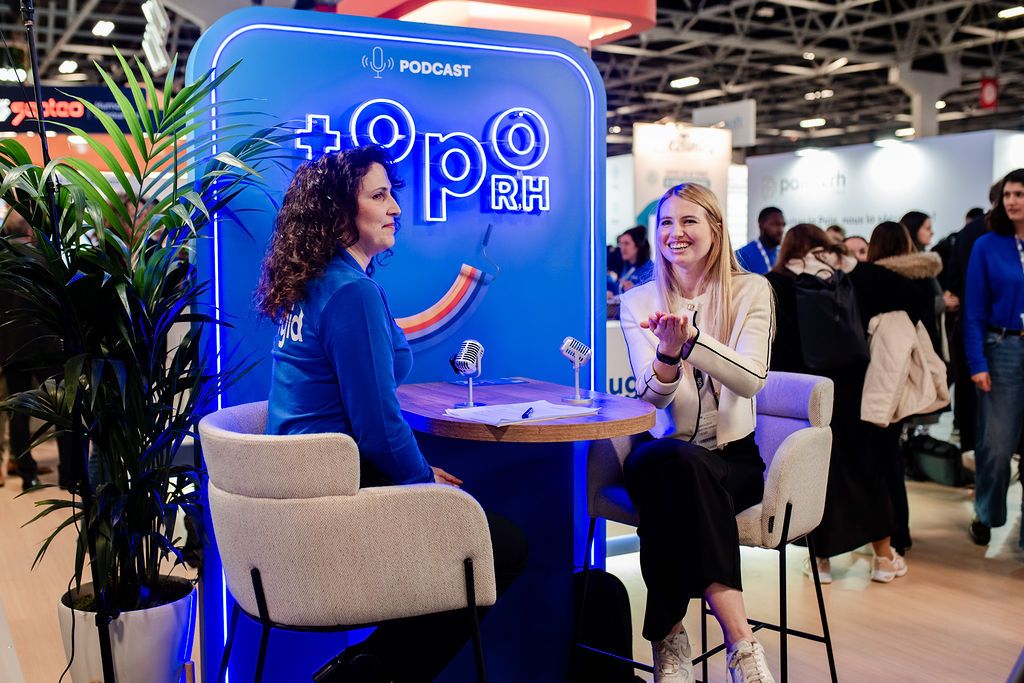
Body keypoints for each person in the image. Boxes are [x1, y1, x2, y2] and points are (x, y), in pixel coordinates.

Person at [254, 145, 527, 682]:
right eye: (379, 196)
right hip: (333, 498)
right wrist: (424, 481)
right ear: (339, 211)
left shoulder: (312, 283)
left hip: (300, 492)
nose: (395, 208)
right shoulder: (351, 293)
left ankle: (363, 669)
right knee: (503, 547)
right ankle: (364, 676)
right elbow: (378, 428)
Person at [619, 183, 776, 683]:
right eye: (666, 222)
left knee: (673, 493)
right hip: (661, 449)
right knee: (676, 466)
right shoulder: (637, 300)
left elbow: (751, 379)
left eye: (689, 221)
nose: (675, 233)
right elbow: (651, 399)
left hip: (732, 459)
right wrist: (667, 355)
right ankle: (742, 644)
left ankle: (669, 642)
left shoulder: (752, 290)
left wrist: (692, 341)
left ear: (715, 228)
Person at [766, 224, 910, 582]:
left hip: (807, 395)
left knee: (818, 477)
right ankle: (883, 558)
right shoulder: (848, 278)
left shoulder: (775, 283)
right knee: (868, 470)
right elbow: (902, 292)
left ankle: (820, 561)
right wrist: (847, 261)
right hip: (853, 390)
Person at [963, 168, 1024, 550]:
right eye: (1008, 195)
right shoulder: (987, 245)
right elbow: (973, 309)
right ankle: (986, 513)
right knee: (997, 445)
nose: (1012, 201)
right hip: (1003, 349)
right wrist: (977, 362)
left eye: (1020, 194)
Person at [735, 206, 784, 274]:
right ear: (761, 225)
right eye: (775, 224)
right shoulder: (742, 255)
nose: (781, 230)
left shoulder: (783, 255)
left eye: (783, 225)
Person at [615, 225, 654, 294]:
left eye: (626, 243)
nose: (622, 248)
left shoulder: (650, 270)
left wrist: (635, 291)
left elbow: (652, 296)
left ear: (638, 245)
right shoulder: (627, 266)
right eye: (621, 244)